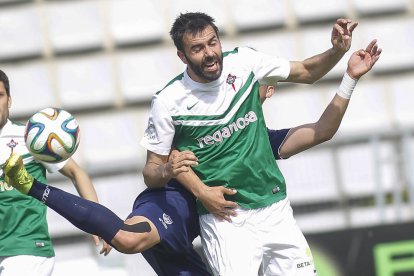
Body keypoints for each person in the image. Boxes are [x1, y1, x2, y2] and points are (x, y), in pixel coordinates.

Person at [3, 38, 380, 276]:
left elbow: (322, 129)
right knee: (127, 238)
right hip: (180, 205)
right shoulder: (177, 105)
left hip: (235, 219)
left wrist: (349, 76)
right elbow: (154, 169)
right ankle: (33, 187)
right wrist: (185, 179)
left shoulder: (261, 142)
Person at [140, 12, 380, 275]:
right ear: (182, 56)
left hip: (275, 210)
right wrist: (168, 172)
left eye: (212, 43)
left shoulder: (245, 62)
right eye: (197, 48)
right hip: (226, 219)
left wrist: (337, 51)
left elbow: (309, 74)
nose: (209, 53)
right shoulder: (167, 101)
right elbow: (151, 172)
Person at [0, 69, 110, 276]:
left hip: (26, 249)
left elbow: (77, 173)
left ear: (10, 100)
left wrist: (98, 222)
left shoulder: (33, 139)